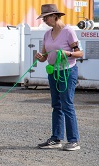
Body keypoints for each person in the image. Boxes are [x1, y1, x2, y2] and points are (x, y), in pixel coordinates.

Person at [35, 4, 83, 151]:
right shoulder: (47, 34)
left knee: (66, 104)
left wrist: (67, 53)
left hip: (67, 72)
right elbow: (45, 57)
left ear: (55, 16)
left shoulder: (68, 31)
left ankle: (73, 140)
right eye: (43, 18)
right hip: (53, 72)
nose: (44, 20)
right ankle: (56, 138)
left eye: (46, 17)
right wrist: (40, 57)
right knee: (56, 105)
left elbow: (79, 53)